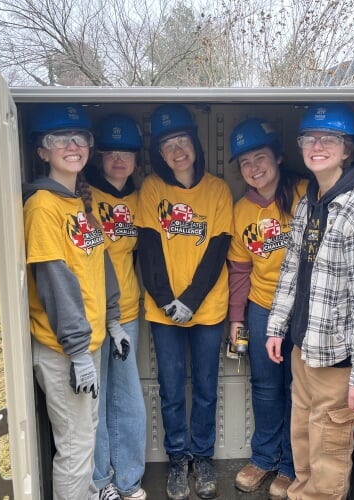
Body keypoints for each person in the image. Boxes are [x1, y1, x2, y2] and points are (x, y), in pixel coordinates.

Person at [265, 103, 354, 500]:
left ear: (347, 148)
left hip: (338, 361)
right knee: (303, 439)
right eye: (309, 139)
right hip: (304, 348)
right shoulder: (310, 201)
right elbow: (291, 271)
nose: (317, 145)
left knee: (328, 451)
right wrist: (277, 327)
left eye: (328, 139)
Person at [23, 103, 128, 499]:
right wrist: (78, 351)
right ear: (42, 151)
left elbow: (100, 267)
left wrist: (114, 320)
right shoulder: (43, 207)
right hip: (64, 350)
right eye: (58, 139)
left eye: (80, 138)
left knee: (85, 432)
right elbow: (55, 283)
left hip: (88, 343)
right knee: (76, 445)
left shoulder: (77, 203)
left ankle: (88, 493)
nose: (72, 146)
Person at [136, 104, 233, 500]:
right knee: (172, 388)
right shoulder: (152, 190)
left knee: (207, 387)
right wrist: (165, 301)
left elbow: (217, 249)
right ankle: (178, 458)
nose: (177, 150)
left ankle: (202, 456)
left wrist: (191, 300)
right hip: (164, 312)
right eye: (167, 144)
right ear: (159, 153)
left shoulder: (218, 190)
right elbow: (148, 248)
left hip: (208, 309)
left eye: (182, 141)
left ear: (195, 143)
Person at [226, 118, 308, 499]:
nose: (254, 168)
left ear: (278, 155)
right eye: (245, 162)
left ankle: (291, 466)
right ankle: (263, 458)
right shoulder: (242, 210)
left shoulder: (307, 192)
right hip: (262, 308)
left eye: (260, 156)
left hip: (302, 310)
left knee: (297, 389)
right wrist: (237, 319)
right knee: (264, 387)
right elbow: (240, 269)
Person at [86, 114, 147, 500]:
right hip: (93, 313)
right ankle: (100, 480)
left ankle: (127, 480)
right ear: (99, 157)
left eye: (126, 153)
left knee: (126, 397)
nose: (119, 161)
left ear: (136, 159)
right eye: (110, 153)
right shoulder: (85, 196)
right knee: (96, 399)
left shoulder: (140, 198)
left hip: (127, 311)